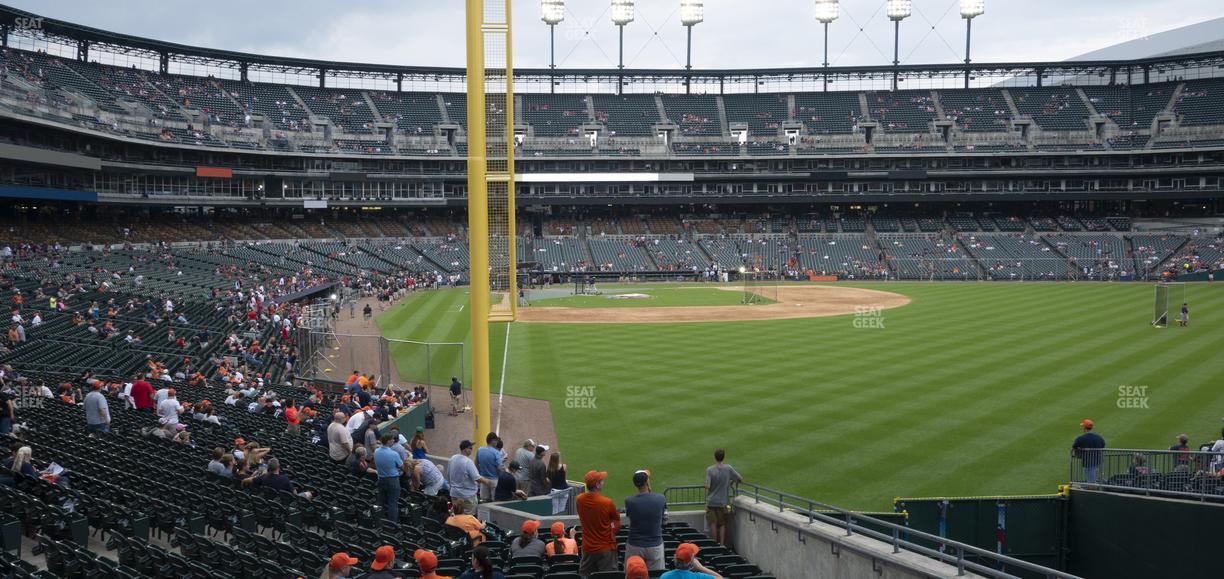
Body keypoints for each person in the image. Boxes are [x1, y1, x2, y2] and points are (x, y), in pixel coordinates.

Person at [575, 470, 620, 576]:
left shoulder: (579, 499)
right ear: (597, 485)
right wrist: (611, 530)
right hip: (605, 549)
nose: (603, 482)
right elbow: (617, 521)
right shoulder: (607, 502)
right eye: (601, 481)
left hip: (587, 548)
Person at [625, 469, 667, 571]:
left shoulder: (629, 501)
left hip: (635, 545)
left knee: (633, 574)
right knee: (655, 575)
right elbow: (665, 521)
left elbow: (630, 516)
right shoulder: (660, 498)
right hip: (655, 545)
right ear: (647, 482)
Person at [705, 449, 743, 547]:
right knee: (722, 524)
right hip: (723, 501)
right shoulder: (728, 468)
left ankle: (714, 544)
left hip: (711, 501)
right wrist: (731, 482)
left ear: (715, 457)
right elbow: (739, 478)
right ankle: (722, 545)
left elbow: (708, 486)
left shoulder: (710, 469)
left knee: (712, 523)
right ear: (723, 457)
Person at [448, 440, 492, 512]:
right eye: (470, 448)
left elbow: (448, 474)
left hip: (454, 493)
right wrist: (487, 481)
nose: (472, 450)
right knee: (468, 518)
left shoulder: (452, 458)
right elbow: (477, 478)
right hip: (467, 496)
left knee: (456, 516)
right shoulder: (468, 461)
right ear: (465, 449)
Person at [242, 458, 313, 499]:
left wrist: (243, 483)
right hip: (286, 502)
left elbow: (246, 480)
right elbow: (294, 494)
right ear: (278, 466)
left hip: (271, 499)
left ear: (268, 467)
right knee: (309, 493)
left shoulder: (263, 477)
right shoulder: (284, 478)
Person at [374, 434, 406, 523]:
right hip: (392, 481)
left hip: (381, 480)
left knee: (381, 502)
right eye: (392, 440)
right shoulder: (394, 454)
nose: (393, 441)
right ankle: (392, 525)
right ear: (388, 441)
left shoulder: (376, 451)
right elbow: (402, 467)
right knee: (392, 503)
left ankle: (379, 521)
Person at [1072, 419, 1106, 485]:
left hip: (1088, 462)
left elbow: (1074, 446)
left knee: (1091, 481)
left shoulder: (1081, 438)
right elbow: (1103, 445)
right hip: (1099, 461)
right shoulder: (1099, 437)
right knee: (1099, 479)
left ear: (1084, 428)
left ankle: (1093, 490)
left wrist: (1080, 450)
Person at [475, 432, 503, 502]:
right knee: (494, 502)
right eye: (496, 440)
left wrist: (480, 474)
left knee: (484, 501)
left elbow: (476, 464)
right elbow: (499, 468)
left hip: (483, 479)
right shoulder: (496, 452)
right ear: (492, 441)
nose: (497, 442)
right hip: (494, 480)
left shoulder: (480, 449)